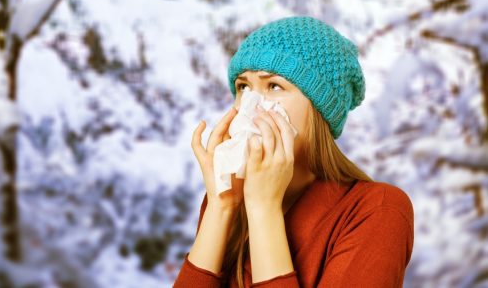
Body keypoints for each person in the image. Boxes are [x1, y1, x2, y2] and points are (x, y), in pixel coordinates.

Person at [174, 16, 414, 287]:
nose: (250, 105)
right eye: (244, 87)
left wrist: (264, 208)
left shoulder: (378, 210)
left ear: (319, 109)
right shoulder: (228, 199)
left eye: (274, 86)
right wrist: (221, 207)